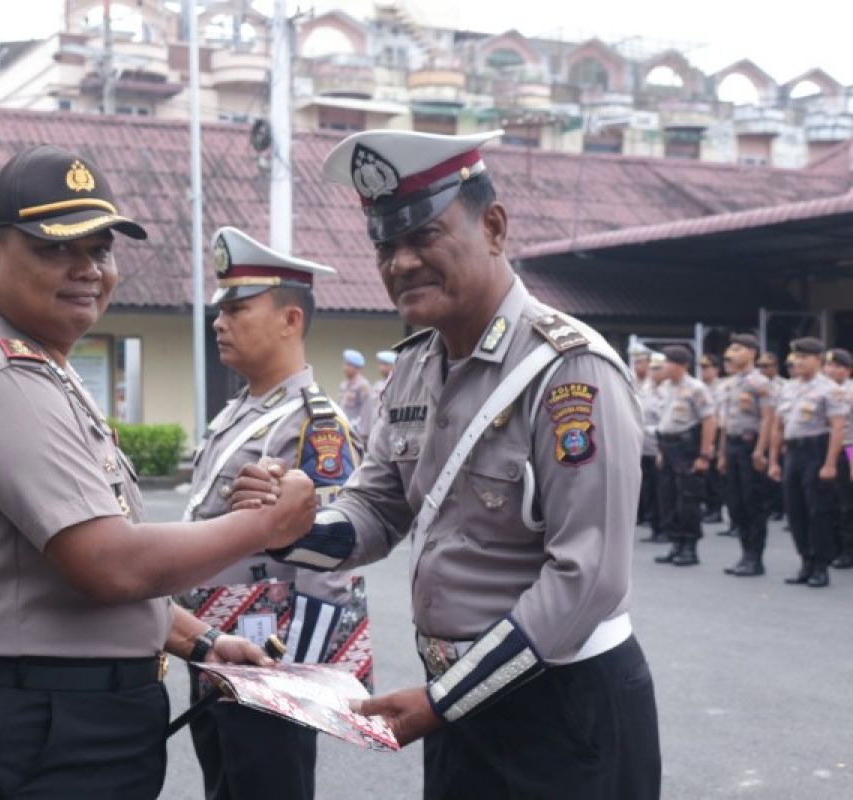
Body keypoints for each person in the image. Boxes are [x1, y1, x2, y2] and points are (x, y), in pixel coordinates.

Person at [233, 129, 660, 798]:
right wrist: (292, 527)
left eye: (423, 236)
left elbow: (589, 578)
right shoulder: (413, 368)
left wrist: (444, 700)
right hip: (462, 704)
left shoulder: (568, 371)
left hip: (563, 707)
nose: (400, 263)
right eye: (384, 244)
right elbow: (377, 508)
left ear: (493, 227)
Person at [0, 145, 315, 799]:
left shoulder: (44, 372)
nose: (87, 270)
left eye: (100, 250)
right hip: (37, 725)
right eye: (55, 249)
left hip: (61, 720)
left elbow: (68, 576)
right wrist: (265, 525)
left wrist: (200, 640)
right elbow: (109, 564)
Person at [182, 226, 361, 800]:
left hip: (267, 659)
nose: (220, 322)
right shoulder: (240, 411)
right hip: (215, 643)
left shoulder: (315, 425)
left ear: (291, 320)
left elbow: (329, 566)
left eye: (237, 308)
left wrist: (293, 683)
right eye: (220, 310)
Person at [768, 337, 848, 588]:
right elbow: (778, 427)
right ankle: (805, 561)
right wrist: (773, 460)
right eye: (796, 357)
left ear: (818, 360)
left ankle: (820, 566)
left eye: (804, 357)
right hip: (793, 453)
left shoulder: (830, 389)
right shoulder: (788, 388)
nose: (798, 361)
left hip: (816, 450)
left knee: (818, 511)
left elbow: (838, 429)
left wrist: (830, 463)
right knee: (796, 511)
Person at [716, 334, 774, 577]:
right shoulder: (730, 383)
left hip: (751, 447)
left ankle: (755, 558)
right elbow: (726, 423)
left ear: (751, 352)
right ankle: (744, 554)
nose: (731, 353)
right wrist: (721, 453)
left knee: (753, 504)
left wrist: (761, 451)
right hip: (733, 446)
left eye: (737, 348)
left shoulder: (760, 383)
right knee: (736, 504)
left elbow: (768, 419)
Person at [653, 345, 716, 567]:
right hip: (668, 447)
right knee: (667, 498)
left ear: (682, 365)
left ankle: (690, 546)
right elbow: (664, 421)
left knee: (687, 500)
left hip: (686, 449)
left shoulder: (696, 388)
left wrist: (704, 455)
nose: (664, 366)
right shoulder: (665, 388)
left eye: (669, 362)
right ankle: (675, 542)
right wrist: (661, 451)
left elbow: (709, 421)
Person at [824, 348, 853, 569]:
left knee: (847, 503)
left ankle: (848, 550)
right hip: (826, 450)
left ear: (847, 370)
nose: (831, 370)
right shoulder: (822, 390)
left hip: (848, 449)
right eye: (829, 365)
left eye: (836, 366)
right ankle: (833, 546)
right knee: (831, 501)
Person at [630, 343, 660, 536]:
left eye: (640, 362)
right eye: (635, 362)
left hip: (656, 444)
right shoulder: (632, 382)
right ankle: (642, 513)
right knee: (642, 483)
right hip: (639, 444)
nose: (636, 366)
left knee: (657, 485)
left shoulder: (657, 385)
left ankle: (653, 516)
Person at [757, 351, 788, 521]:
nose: (762, 369)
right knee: (765, 473)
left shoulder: (784, 385)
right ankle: (767, 505)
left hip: (847, 446)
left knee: (780, 474)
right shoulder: (755, 385)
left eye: (765, 366)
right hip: (763, 433)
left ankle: (779, 506)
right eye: (759, 366)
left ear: (775, 367)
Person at [699, 353, 725, 524]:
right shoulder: (700, 387)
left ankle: (716, 509)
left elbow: (719, 416)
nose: (703, 371)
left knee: (715, 475)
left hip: (717, 432)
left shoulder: (721, 387)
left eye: (707, 368)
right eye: (702, 368)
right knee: (706, 475)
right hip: (703, 434)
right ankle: (709, 507)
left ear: (716, 369)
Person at [362, 349, 397, 437]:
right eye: (380, 364)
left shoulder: (397, 384)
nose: (381, 367)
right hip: (374, 428)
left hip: (389, 429)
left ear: (394, 366)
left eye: (385, 364)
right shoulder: (377, 385)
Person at [339, 349, 373, 438]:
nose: (345, 367)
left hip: (356, 431)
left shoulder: (363, 386)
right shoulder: (344, 385)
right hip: (344, 427)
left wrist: (363, 433)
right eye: (345, 364)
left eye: (349, 365)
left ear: (358, 368)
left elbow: (367, 410)